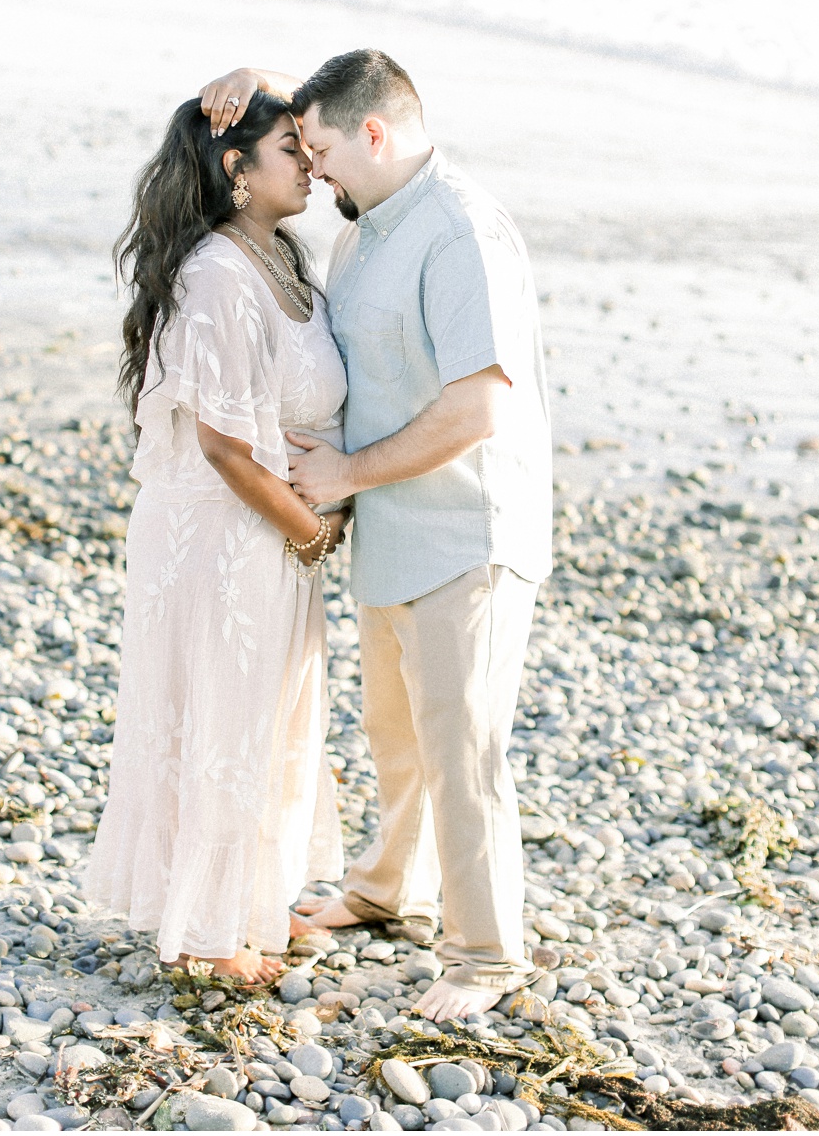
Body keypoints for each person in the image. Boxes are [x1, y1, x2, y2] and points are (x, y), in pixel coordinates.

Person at [199, 50, 553, 1021]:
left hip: (468, 534)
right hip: (391, 530)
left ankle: (485, 955)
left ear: (377, 136)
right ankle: (389, 886)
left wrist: (347, 472)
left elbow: (478, 405)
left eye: (320, 150)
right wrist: (247, 80)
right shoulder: (365, 234)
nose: (312, 172)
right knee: (398, 734)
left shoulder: (459, 233)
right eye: (298, 150)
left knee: (464, 745)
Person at [84, 92, 351, 983]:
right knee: (221, 720)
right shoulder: (217, 276)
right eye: (289, 148)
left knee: (267, 717)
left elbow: (281, 412)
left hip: (267, 534)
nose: (311, 159)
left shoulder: (276, 254)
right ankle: (204, 931)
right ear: (236, 169)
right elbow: (226, 447)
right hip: (224, 535)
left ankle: (249, 899)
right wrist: (313, 531)